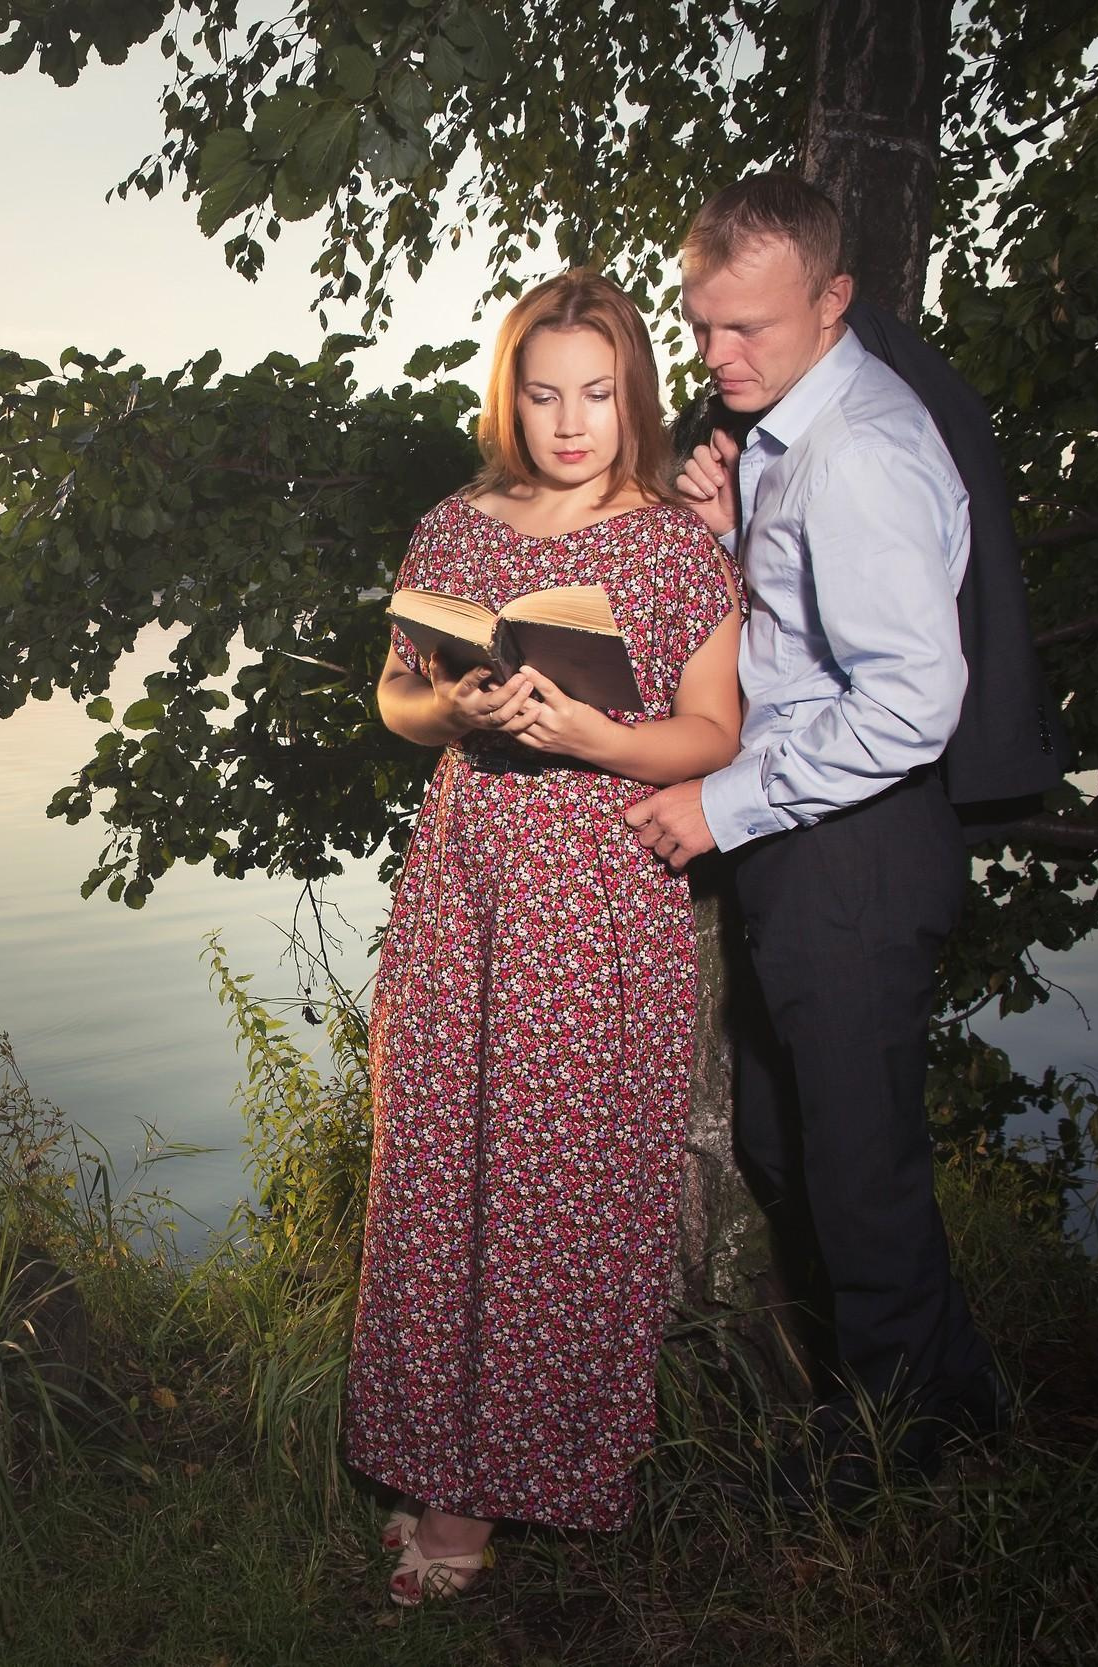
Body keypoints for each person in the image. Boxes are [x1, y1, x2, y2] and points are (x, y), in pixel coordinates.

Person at [347, 269, 742, 1604]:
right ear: (508, 398)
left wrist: (596, 737)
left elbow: (716, 735)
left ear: (634, 397)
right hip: (464, 890)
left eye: (597, 393)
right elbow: (394, 699)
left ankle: (485, 1499)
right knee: (436, 1173)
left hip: (596, 902)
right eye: (544, 393)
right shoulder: (454, 528)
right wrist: (450, 710)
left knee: (552, 1191)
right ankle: (431, 1461)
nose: (571, 423)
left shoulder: (675, 547)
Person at [629, 173, 1013, 1500]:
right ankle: (956, 1401)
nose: (719, 356)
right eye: (703, 325)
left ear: (835, 299)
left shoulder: (859, 451)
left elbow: (909, 704)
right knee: (799, 1148)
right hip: (814, 833)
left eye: (752, 327)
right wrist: (727, 535)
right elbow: (804, 640)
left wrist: (719, 805)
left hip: (856, 845)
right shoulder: (789, 434)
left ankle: (892, 1461)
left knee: (852, 1172)